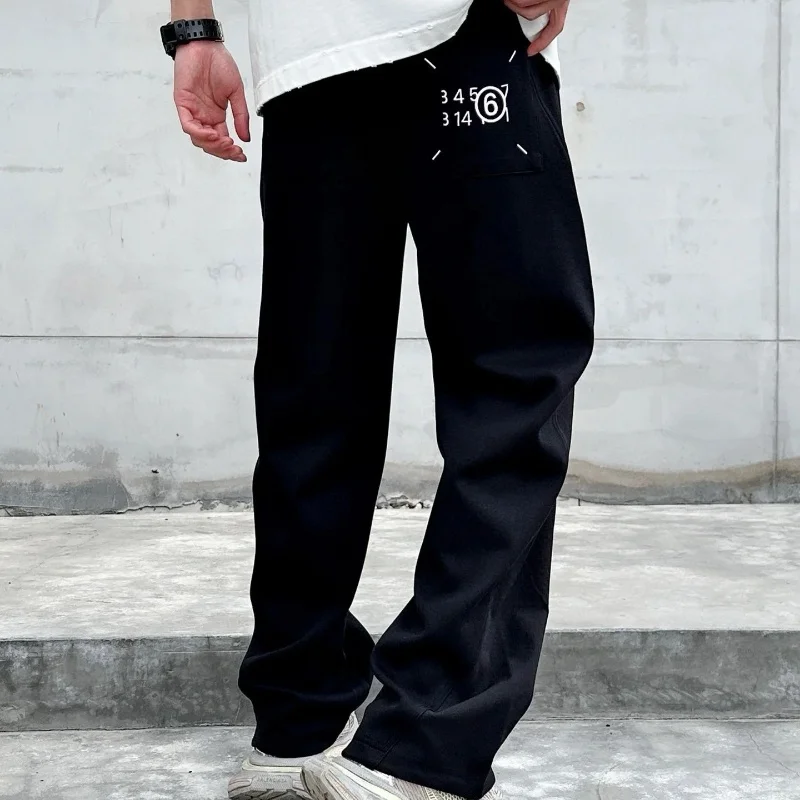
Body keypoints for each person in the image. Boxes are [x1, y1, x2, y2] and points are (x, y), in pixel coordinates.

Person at [164, 0, 593, 797]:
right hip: (457, 30)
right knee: (514, 377)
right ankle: (422, 741)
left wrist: (193, 30)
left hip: (308, 60)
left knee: (315, 384)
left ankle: (299, 718)